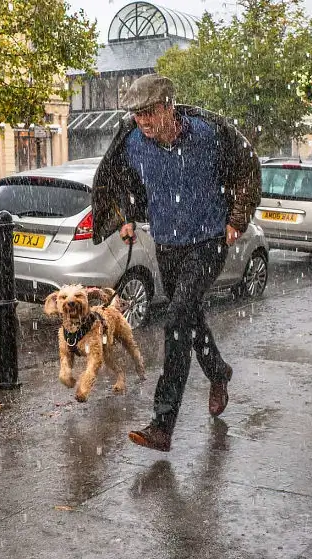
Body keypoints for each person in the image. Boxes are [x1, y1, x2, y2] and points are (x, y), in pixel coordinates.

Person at [91, 74, 261, 452]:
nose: (144, 121)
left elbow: (246, 168)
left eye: (150, 112)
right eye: (137, 115)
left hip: (208, 242)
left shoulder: (208, 135)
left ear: (169, 106)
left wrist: (236, 218)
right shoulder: (133, 143)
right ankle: (219, 372)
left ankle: (163, 423)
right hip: (167, 245)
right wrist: (126, 217)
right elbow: (121, 180)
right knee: (191, 317)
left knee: (177, 320)